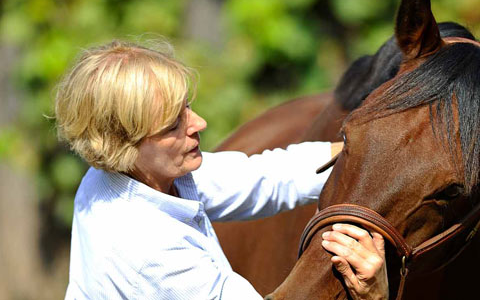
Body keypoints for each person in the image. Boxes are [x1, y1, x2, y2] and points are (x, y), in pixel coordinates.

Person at [55, 40, 388, 299]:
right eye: (173, 125)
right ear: (123, 145)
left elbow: (264, 178)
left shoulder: (129, 174)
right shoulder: (150, 253)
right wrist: (372, 296)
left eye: (186, 106)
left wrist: (364, 152)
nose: (199, 123)